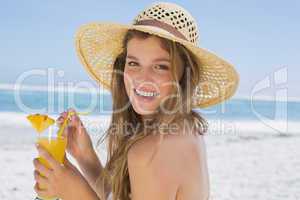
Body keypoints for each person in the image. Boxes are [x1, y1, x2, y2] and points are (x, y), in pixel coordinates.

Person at [33, 2, 239, 200]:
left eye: (160, 66)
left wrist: (73, 191)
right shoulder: (182, 129)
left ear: (183, 76)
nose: (142, 78)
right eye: (134, 63)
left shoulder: (154, 151)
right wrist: (85, 157)